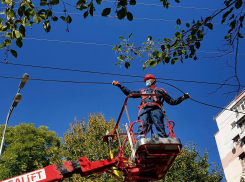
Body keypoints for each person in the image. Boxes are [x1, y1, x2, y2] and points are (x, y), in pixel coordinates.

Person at [113, 74, 190, 139]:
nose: (146, 81)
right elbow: (129, 93)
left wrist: (183, 98)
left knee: (159, 125)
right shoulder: (142, 91)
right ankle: (140, 140)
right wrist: (120, 86)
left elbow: (171, 101)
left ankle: (163, 140)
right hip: (144, 109)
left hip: (156, 109)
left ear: (153, 80)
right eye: (145, 80)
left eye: (148, 79)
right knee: (142, 126)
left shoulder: (160, 90)